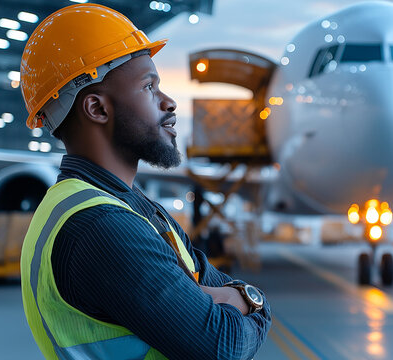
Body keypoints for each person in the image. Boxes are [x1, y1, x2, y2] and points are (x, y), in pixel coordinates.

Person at [19, 4, 271, 360]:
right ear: (97, 109)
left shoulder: (136, 210)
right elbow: (223, 346)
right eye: (149, 86)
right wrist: (249, 300)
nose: (169, 103)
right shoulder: (100, 226)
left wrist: (229, 298)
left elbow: (215, 297)